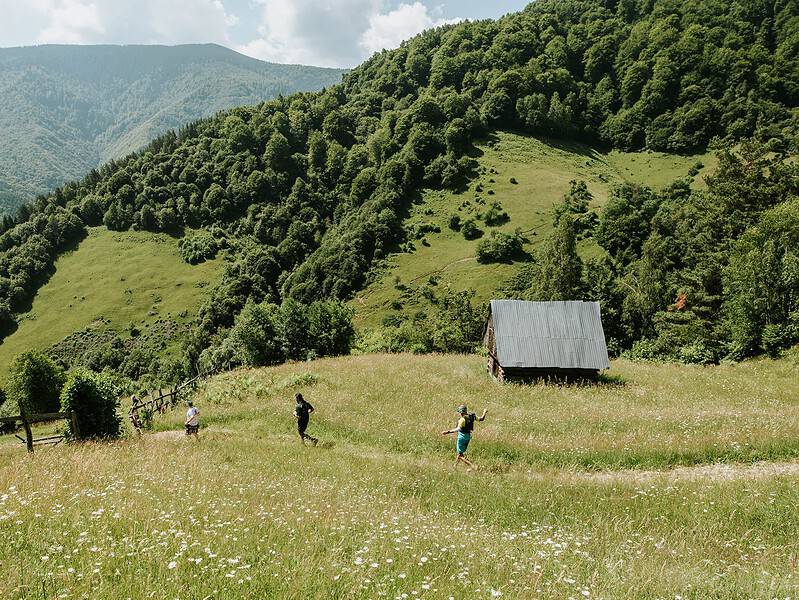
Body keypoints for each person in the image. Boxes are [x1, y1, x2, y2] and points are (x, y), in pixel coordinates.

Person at [442, 404, 487, 469]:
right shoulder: (472, 416)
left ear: (460, 412)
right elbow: (481, 419)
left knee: (460, 455)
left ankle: (473, 466)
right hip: (468, 437)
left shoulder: (462, 419)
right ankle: (455, 467)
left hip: (461, 437)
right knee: (460, 453)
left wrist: (447, 432)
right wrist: (484, 412)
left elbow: (458, 429)